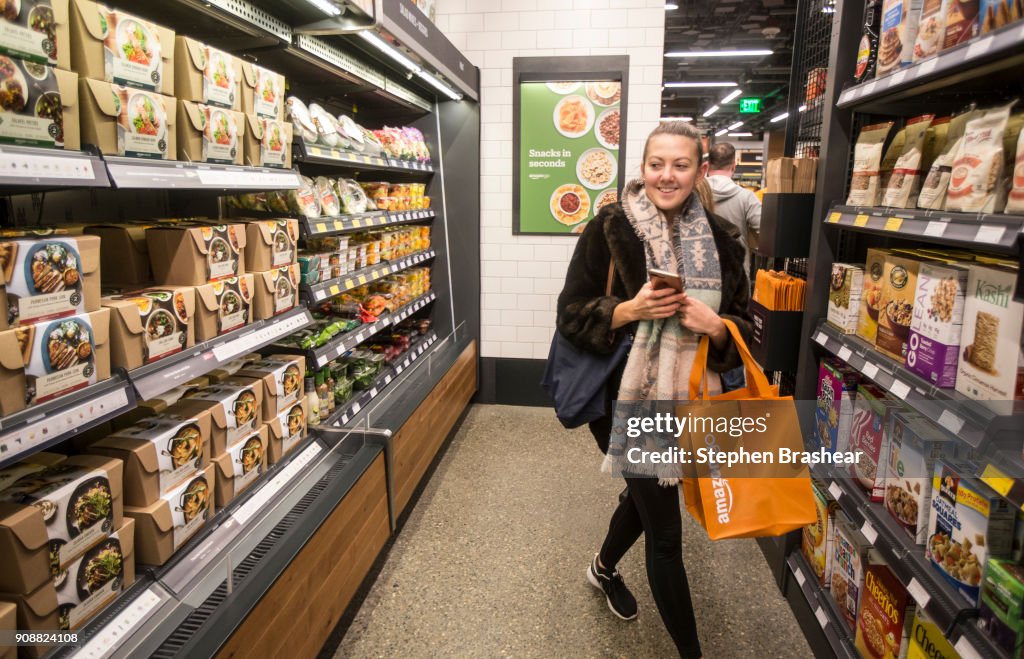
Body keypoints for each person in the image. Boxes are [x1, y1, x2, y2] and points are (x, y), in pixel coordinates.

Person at [556, 121, 753, 658]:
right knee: (666, 535)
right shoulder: (610, 229)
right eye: (656, 164)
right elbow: (570, 314)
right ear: (642, 168)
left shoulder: (723, 241)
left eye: (680, 165)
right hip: (625, 401)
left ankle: (600, 568)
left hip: (695, 399)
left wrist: (717, 328)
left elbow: (743, 329)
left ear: (700, 170)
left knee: (645, 502)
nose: (667, 176)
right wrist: (628, 310)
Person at [706, 142, 761, 392]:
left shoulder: (693, 194)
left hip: (701, 283)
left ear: (706, 165)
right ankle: (733, 405)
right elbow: (766, 232)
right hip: (736, 282)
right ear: (734, 165)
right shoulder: (745, 197)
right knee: (734, 339)